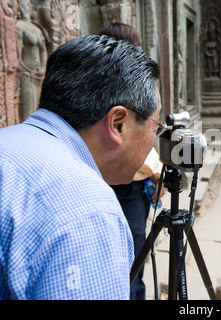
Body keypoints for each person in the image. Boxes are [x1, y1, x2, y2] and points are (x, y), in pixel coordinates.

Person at [0, 35, 162, 299]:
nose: (155, 136)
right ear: (119, 124)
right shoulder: (90, 211)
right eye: (156, 125)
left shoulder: (7, 141)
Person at [100, 22, 167, 300]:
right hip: (122, 187)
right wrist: (155, 171)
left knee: (131, 258)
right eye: (136, 49)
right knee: (128, 259)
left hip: (125, 187)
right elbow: (132, 138)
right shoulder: (112, 88)